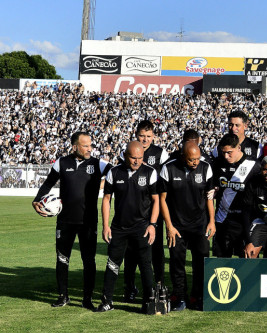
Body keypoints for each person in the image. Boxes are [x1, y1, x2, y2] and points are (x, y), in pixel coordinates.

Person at [32, 131, 110, 309]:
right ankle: (63, 296)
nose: (89, 149)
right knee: (62, 259)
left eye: (90, 145)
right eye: (85, 146)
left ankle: (87, 299)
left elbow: (117, 174)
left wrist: (101, 184)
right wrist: (36, 200)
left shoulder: (98, 164)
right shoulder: (62, 162)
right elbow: (48, 183)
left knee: (88, 260)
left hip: (88, 222)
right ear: (75, 146)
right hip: (65, 221)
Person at [97, 141, 160, 313]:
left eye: (140, 158)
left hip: (142, 227)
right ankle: (107, 301)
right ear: (125, 155)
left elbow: (156, 200)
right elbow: (106, 199)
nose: (136, 161)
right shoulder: (114, 172)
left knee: (146, 265)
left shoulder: (150, 172)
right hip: (119, 228)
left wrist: (153, 225)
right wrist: (105, 226)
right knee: (112, 264)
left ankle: (149, 302)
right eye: (133, 157)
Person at [159, 142, 215, 311]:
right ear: (183, 156)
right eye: (191, 160)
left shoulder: (206, 168)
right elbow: (162, 199)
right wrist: (169, 226)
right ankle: (180, 297)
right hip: (177, 226)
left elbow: (209, 198)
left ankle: (197, 297)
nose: (195, 162)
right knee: (177, 262)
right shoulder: (168, 169)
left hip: (200, 225)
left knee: (201, 262)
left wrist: (211, 221)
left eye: (197, 158)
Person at [119, 120, 170, 303]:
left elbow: (166, 180)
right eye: (142, 135)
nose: (145, 139)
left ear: (154, 136)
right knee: (130, 253)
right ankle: (130, 287)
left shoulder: (161, 154)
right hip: (132, 212)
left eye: (148, 136)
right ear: (136, 134)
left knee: (156, 251)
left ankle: (158, 285)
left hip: (153, 211)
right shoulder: (126, 153)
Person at [211, 132, 263, 258]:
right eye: (223, 152)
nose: (226, 156)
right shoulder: (217, 164)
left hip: (245, 222)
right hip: (223, 219)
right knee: (221, 262)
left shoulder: (254, 166)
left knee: (246, 262)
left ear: (239, 148)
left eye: (229, 152)